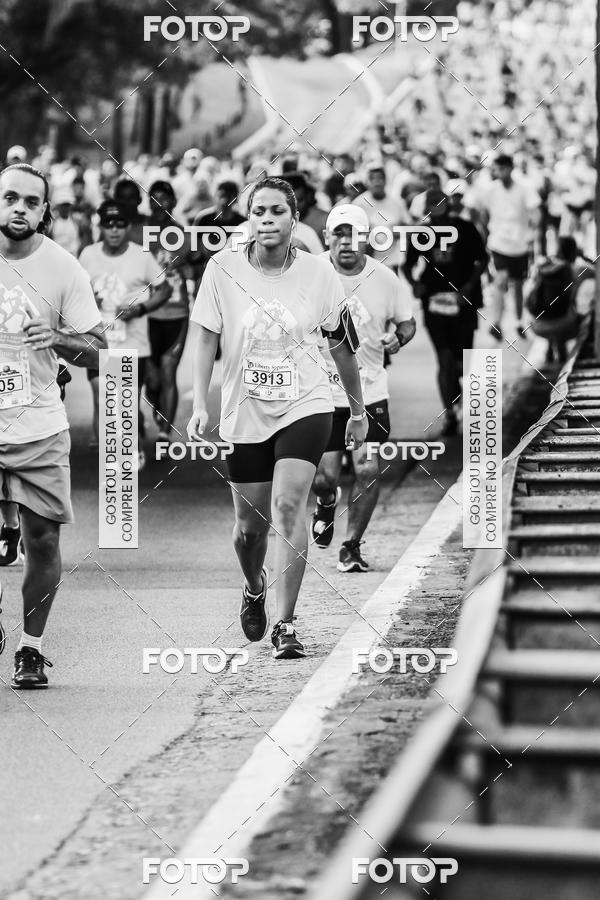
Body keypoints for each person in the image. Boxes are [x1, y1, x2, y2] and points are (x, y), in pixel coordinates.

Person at [187, 177, 367, 660]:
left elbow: (340, 345)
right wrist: (200, 401)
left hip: (305, 404)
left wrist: (356, 407)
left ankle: (286, 624)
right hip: (244, 410)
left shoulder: (318, 273)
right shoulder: (222, 268)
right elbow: (205, 335)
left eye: (276, 212)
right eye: (258, 211)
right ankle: (254, 586)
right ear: (249, 218)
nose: (267, 220)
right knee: (250, 528)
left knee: (290, 508)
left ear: (293, 220)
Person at [0, 163, 106, 687]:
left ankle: (31, 648)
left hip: (38, 424)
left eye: (30, 202)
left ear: (46, 211)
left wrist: (59, 337)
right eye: (9, 198)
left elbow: (98, 351)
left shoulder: (63, 268)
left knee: (41, 542)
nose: (18, 208)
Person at [312, 205, 416, 571]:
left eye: (353, 234)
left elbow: (407, 322)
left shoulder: (386, 279)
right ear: (327, 237)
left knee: (367, 470)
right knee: (323, 477)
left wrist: (397, 339)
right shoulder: (312, 273)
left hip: (370, 390)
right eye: (338, 234)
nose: (346, 242)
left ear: (365, 239)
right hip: (321, 391)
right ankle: (326, 503)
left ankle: (352, 545)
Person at [79, 200, 171, 464]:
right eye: (109, 225)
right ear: (101, 227)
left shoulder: (141, 256)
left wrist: (140, 309)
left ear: (128, 227)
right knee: (102, 394)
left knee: (126, 399)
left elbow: (164, 289)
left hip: (133, 341)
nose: (115, 230)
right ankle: (109, 452)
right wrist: (88, 300)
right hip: (99, 340)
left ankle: (133, 445)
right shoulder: (87, 255)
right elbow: (75, 290)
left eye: (120, 225)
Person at [403, 189, 488, 436]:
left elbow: (482, 260)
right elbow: (407, 265)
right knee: (444, 360)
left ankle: (457, 390)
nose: (436, 218)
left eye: (440, 210)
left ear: (448, 208)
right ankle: (450, 414)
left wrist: (468, 288)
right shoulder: (421, 232)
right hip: (435, 303)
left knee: (461, 364)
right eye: (432, 212)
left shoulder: (466, 228)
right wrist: (414, 284)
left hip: (463, 303)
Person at [471, 153, 539, 340]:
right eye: (496, 169)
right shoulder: (491, 190)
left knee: (517, 284)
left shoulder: (524, 188)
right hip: (498, 243)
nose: (498, 172)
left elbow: (535, 211)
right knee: (500, 280)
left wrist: (533, 232)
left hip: (519, 244)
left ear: (510, 168)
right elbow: (480, 211)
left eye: (502, 168)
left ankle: (518, 321)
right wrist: (485, 232)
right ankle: (496, 323)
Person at [144, 181, 194, 440]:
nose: (158, 203)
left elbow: (199, 267)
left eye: (164, 199)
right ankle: (157, 406)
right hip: (147, 315)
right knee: (151, 380)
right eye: (154, 198)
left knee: (168, 370)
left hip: (176, 313)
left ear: (173, 203)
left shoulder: (184, 237)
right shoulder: (140, 234)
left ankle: (165, 432)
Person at [353, 162, 409, 273]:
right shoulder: (359, 204)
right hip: (367, 264)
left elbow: (406, 227)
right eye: (372, 179)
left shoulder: (397, 202)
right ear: (367, 182)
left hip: (394, 263)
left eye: (380, 178)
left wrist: (396, 233)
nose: (377, 182)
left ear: (385, 180)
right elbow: (354, 234)